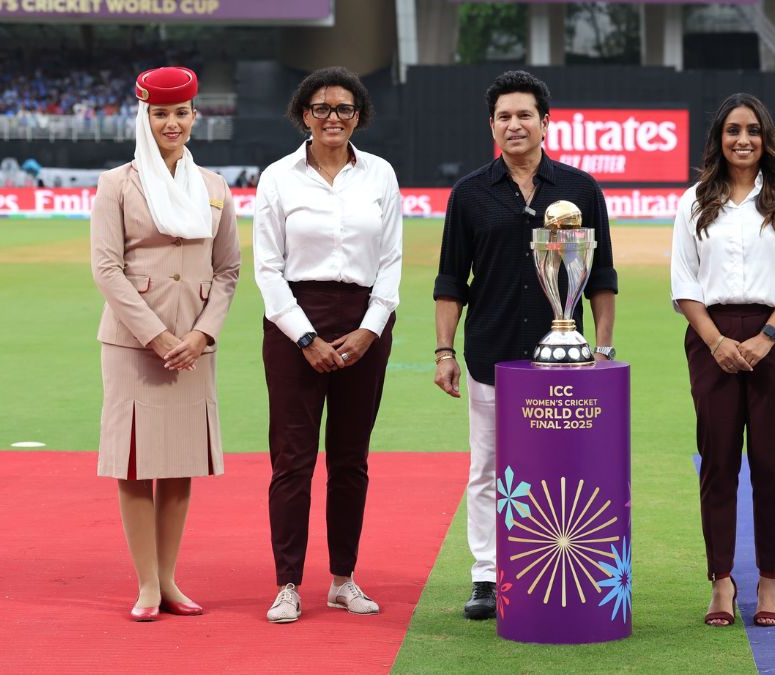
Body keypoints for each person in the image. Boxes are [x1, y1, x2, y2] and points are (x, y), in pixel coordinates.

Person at [432, 70, 618, 620]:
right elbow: (450, 280)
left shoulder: (581, 190)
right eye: (504, 116)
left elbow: (602, 276)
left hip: (565, 361)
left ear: (545, 122)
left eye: (524, 115)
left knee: (564, 466)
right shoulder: (469, 194)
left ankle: (558, 566)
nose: (515, 124)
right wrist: (444, 351)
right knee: (488, 468)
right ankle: (487, 575)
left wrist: (603, 351)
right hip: (490, 355)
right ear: (492, 125)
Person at [253, 66, 403, 624]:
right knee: (292, 460)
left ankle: (343, 579)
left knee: (350, 459)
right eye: (321, 108)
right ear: (304, 115)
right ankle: (287, 584)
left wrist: (371, 328)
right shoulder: (278, 177)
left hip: (365, 320)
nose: (332, 117)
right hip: (294, 320)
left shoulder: (380, 174)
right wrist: (305, 336)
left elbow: (391, 259)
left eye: (343, 108)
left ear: (358, 116)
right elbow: (268, 268)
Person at [90, 66, 240, 621]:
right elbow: (107, 269)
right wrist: (156, 336)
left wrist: (202, 334)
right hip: (134, 347)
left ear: (195, 116)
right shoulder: (116, 183)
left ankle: (171, 579)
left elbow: (228, 270)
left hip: (195, 347)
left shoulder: (215, 187)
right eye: (160, 114)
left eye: (180, 113)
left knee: (179, 464)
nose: (171, 123)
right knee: (134, 464)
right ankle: (147, 585)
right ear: (144, 117)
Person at [670, 93, 775, 628]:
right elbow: (684, 282)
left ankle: (770, 579)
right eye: (733, 130)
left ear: (765, 137)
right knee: (718, 463)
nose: (743, 139)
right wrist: (716, 342)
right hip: (710, 337)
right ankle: (722, 580)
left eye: (752, 130)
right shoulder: (694, 201)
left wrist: (767, 337)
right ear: (719, 138)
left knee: (771, 463)